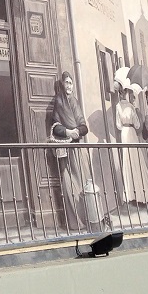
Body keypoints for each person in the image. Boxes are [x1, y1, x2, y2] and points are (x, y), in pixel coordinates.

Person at [50, 71, 89, 231]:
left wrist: (77, 132)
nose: (69, 86)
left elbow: (84, 126)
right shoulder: (59, 102)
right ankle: (75, 223)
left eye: (71, 83)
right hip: (66, 150)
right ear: (61, 84)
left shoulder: (75, 102)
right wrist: (67, 132)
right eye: (66, 82)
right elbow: (56, 126)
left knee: (84, 183)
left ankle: (89, 218)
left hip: (78, 150)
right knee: (69, 186)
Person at [114, 76, 148, 206]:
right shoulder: (130, 106)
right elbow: (137, 125)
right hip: (131, 133)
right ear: (126, 93)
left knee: (127, 161)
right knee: (136, 160)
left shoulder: (117, 106)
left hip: (124, 134)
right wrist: (135, 112)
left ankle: (130, 195)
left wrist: (125, 125)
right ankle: (142, 195)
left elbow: (118, 125)